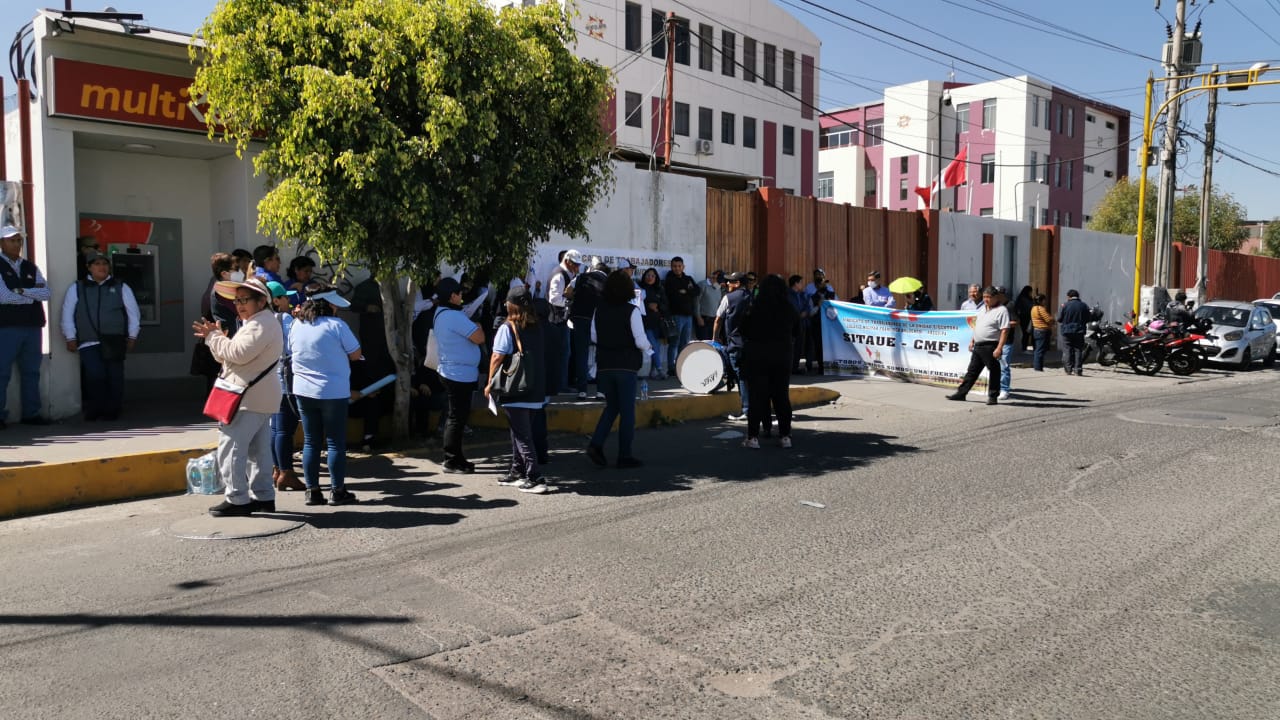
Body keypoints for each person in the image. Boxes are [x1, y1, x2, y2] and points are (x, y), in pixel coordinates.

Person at [192, 277, 283, 516]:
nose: (240, 305)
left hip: (247, 397)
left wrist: (213, 337)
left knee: (231, 448)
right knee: (258, 452)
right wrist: (217, 339)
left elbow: (236, 354)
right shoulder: (258, 322)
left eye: (245, 300)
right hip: (256, 396)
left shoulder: (259, 324)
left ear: (261, 301)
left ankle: (237, 499)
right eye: (238, 301)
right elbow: (229, 357)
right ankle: (263, 496)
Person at [289, 283, 362, 506]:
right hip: (333, 392)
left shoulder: (296, 324)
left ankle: (312, 491)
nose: (337, 308)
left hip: (303, 391)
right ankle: (337, 491)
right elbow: (356, 354)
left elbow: (292, 352)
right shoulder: (336, 325)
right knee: (334, 443)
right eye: (334, 304)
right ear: (328, 304)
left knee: (310, 442)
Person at [485, 285, 551, 493]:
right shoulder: (538, 326)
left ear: (510, 305)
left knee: (522, 435)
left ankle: (535, 476)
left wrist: (489, 383)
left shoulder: (508, 327)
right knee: (520, 431)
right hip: (535, 388)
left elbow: (497, 356)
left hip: (515, 388)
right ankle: (517, 471)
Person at [61, 252, 141, 421]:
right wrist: (70, 337)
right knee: (95, 376)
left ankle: (113, 410)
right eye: (96, 263)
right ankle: (95, 409)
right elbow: (67, 313)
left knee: (114, 376)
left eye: (104, 263)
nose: (101, 267)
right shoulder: (77, 287)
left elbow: (133, 313)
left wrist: (133, 335)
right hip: (88, 340)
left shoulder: (121, 286)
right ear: (89, 267)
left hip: (114, 339)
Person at [586, 270, 651, 469]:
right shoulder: (632, 311)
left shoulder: (599, 309)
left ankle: (596, 444)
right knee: (627, 411)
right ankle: (624, 455)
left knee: (612, 407)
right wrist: (649, 348)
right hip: (626, 365)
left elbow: (594, 337)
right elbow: (640, 341)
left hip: (605, 365)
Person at [433, 277, 487, 473]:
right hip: (458, 374)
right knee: (457, 418)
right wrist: (478, 325)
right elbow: (479, 337)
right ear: (452, 296)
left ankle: (456, 457)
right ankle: (451, 460)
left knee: (457, 416)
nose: (462, 296)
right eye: (459, 293)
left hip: (456, 372)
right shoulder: (454, 317)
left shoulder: (443, 313)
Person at [0, 225, 51, 428]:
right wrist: (30, 296)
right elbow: (3, 297)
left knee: (31, 372)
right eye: (12, 240)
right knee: (1, 372)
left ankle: (31, 413)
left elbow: (46, 293)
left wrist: (20, 290)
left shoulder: (31, 267)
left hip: (33, 327)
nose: (17, 244)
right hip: (6, 327)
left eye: (19, 240)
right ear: (2, 243)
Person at [741, 274, 799, 449]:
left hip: (758, 356)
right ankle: (785, 436)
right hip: (782, 357)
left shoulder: (754, 307)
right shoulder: (789, 308)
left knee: (757, 397)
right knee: (781, 396)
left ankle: (752, 437)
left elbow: (744, 329)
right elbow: (797, 331)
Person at [265, 281, 305, 491]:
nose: (289, 301)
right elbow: (293, 347)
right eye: (286, 298)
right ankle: (286, 472)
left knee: (275, 428)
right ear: (276, 300)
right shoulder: (284, 318)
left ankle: (277, 469)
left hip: (268, 378)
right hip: (285, 379)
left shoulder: (259, 320)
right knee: (285, 429)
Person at [946, 286, 1009, 406]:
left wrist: (999, 348)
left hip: (991, 345)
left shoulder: (1002, 310)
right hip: (978, 346)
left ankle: (993, 396)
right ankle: (961, 393)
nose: (986, 299)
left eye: (989, 297)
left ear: (995, 297)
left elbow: (1005, 330)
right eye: (985, 297)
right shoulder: (982, 310)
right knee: (972, 371)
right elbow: (977, 327)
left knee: (994, 371)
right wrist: (972, 341)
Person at [713, 272, 752, 421]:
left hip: (736, 344)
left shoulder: (728, 298)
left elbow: (718, 319)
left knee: (741, 376)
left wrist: (715, 339)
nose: (727, 284)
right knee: (751, 377)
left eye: (730, 282)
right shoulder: (753, 297)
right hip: (752, 344)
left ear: (737, 283)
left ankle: (747, 410)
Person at [569, 258, 607, 400]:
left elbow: (568, 292)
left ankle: (582, 390)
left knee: (581, 354)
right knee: (602, 353)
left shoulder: (582, 277)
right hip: (599, 318)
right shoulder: (608, 281)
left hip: (580, 318)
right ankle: (601, 391)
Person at [546, 249, 582, 394]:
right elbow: (554, 299)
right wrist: (570, 301)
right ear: (567, 261)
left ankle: (561, 384)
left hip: (561, 320)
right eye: (575, 264)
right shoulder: (559, 275)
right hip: (557, 321)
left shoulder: (565, 274)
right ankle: (560, 386)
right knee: (562, 354)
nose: (577, 268)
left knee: (563, 353)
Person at [662, 256, 700, 373]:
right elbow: (674, 295)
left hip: (688, 316)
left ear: (683, 267)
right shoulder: (669, 280)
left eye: (679, 266)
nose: (677, 268)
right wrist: (687, 291)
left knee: (684, 343)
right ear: (671, 267)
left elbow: (697, 291)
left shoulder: (688, 278)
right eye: (674, 266)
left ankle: (681, 365)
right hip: (675, 315)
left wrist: (686, 291)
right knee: (675, 342)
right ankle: (671, 368)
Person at [803, 268, 836, 374]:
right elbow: (810, 310)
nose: (822, 284)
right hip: (815, 323)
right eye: (817, 275)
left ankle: (825, 366)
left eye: (821, 277)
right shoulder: (811, 293)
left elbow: (837, 305)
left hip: (828, 323)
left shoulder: (830, 292)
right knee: (814, 345)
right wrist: (819, 305)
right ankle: (811, 366)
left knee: (827, 345)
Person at [639, 267, 668, 379]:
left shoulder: (659, 289)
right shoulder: (640, 288)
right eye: (648, 275)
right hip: (645, 323)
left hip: (657, 323)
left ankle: (653, 371)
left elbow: (666, 305)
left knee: (656, 347)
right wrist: (648, 306)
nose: (650, 278)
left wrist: (658, 306)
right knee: (654, 346)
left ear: (656, 278)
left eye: (652, 276)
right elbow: (636, 304)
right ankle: (660, 369)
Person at [1057, 288, 1090, 376]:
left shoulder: (1064, 305)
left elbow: (1059, 319)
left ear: (1069, 296)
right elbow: (1088, 318)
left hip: (1066, 331)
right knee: (1078, 350)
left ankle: (1068, 369)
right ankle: (1078, 370)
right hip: (1079, 331)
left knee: (1067, 349)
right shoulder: (1084, 305)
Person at [994, 286, 1015, 400]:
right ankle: (995, 387)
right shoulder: (994, 306)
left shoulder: (1010, 305)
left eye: (997, 294)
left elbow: (1015, 321)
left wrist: (1002, 324)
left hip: (1007, 341)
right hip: (994, 340)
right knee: (993, 366)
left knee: (1004, 366)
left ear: (1002, 294)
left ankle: (1004, 389)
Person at [787, 275, 810, 374]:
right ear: (796, 283)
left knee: (799, 347)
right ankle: (790, 367)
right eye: (800, 282)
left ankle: (795, 367)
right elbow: (791, 309)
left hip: (801, 324)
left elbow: (807, 306)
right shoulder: (788, 295)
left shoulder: (801, 295)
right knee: (791, 347)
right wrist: (798, 315)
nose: (802, 285)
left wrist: (805, 312)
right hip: (792, 325)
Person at [696, 270, 725, 341]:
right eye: (719, 281)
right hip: (703, 319)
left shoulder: (718, 287)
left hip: (714, 320)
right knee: (703, 343)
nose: (720, 284)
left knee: (711, 343)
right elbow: (696, 302)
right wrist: (698, 317)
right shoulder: (702, 285)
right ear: (713, 277)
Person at [1030, 293, 1055, 372]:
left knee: (1038, 349)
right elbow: (1049, 319)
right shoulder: (1040, 309)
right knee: (1040, 350)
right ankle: (1038, 367)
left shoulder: (1033, 308)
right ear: (1041, 300)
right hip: (1042, 330)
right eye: (1044, 300)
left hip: (1036, 330)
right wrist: (1053, 319)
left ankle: (1037, 366)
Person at [1013, 286, 1034, 350]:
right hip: (1025, 318)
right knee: (1026, 333)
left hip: (1028, 318)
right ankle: (1024, 347)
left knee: (1027, 333)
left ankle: (1025, 347)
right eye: (1030, 292)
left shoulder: (1028, 298)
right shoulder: (1023, 298)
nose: (1031, 293)